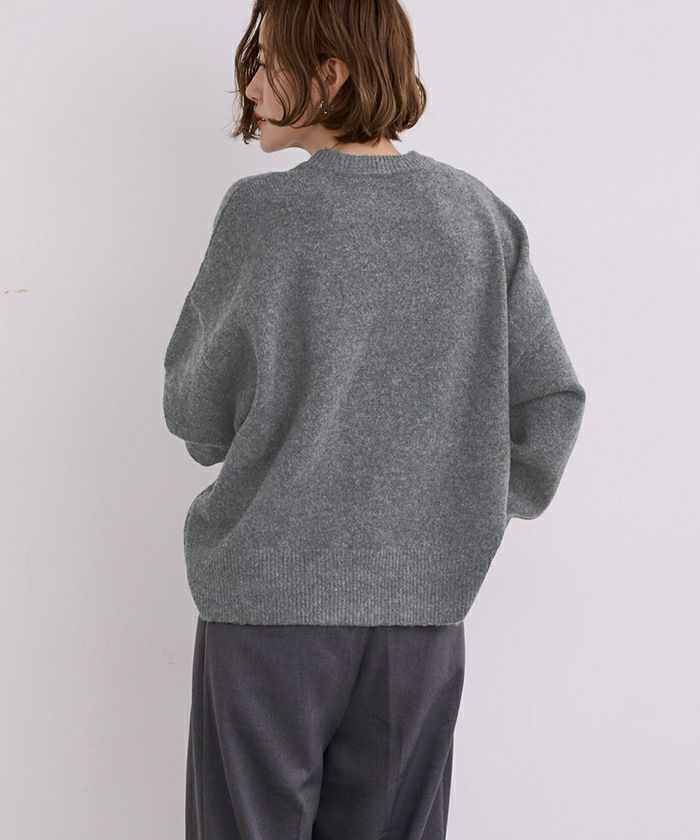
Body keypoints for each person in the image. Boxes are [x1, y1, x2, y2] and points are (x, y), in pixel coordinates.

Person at [162, 1, 586, 838]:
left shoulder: (261, 215)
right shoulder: (476, 216)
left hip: (268, 610)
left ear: (330, 74)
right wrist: (455, 511)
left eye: (265, 63)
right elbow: (551, 403)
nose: (251, 88)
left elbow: (197, 415)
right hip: (418, 622)